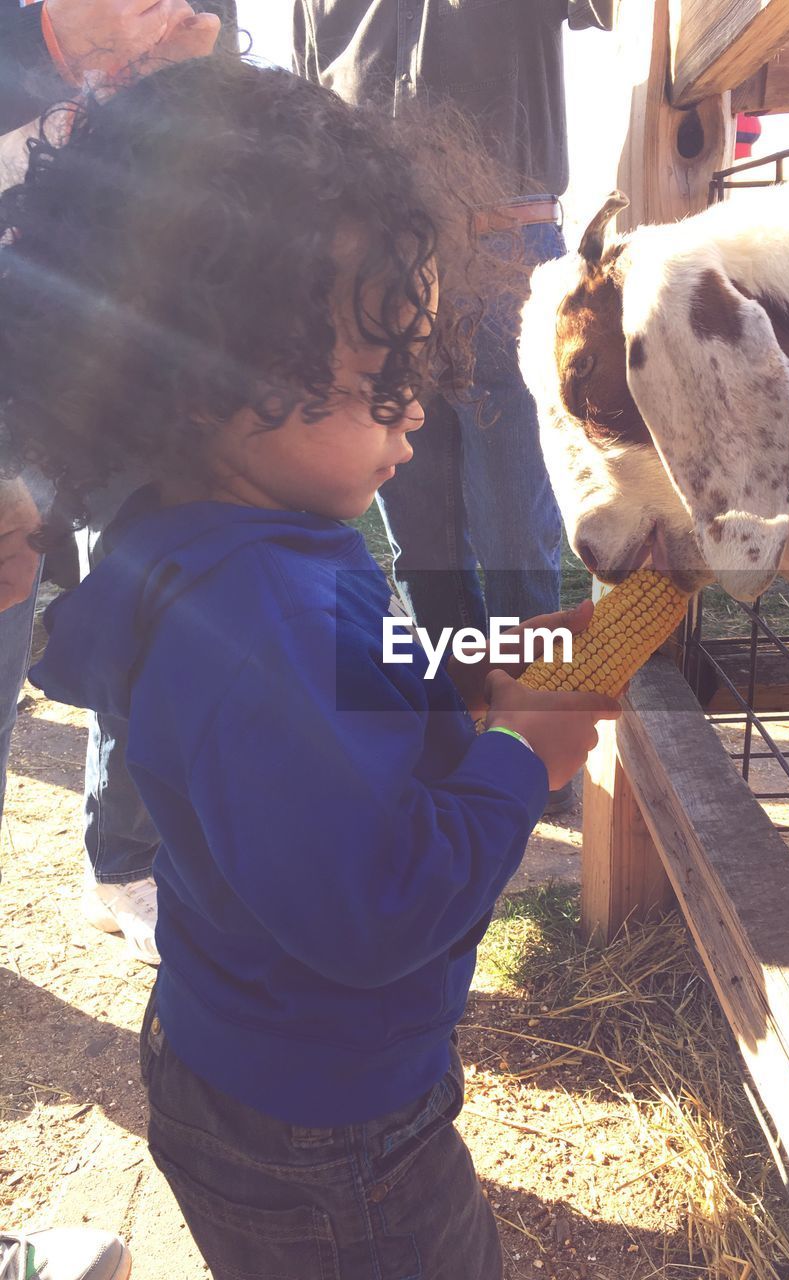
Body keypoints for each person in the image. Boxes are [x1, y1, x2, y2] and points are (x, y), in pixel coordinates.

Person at [0, 57, 620, 1278]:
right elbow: (373, 905)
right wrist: (517, 756)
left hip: (238, 1056)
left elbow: (312, 712)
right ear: (204, 381)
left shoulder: (201, 547)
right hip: (334, 1134)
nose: (416, 416)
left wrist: (451, 673)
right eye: (382, 384)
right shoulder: (259, 604)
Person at [295, 0, 614, 814]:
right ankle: (450, 740)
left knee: (516, 532)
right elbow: (305, 115)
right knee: (419, 536)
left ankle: (540, 761)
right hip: (371, 267)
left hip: (510, 250)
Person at [0, 0, 234, 968]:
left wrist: (202, 92)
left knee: (164, 593)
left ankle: (123, 863)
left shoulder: (193, 33)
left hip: (130, 378)